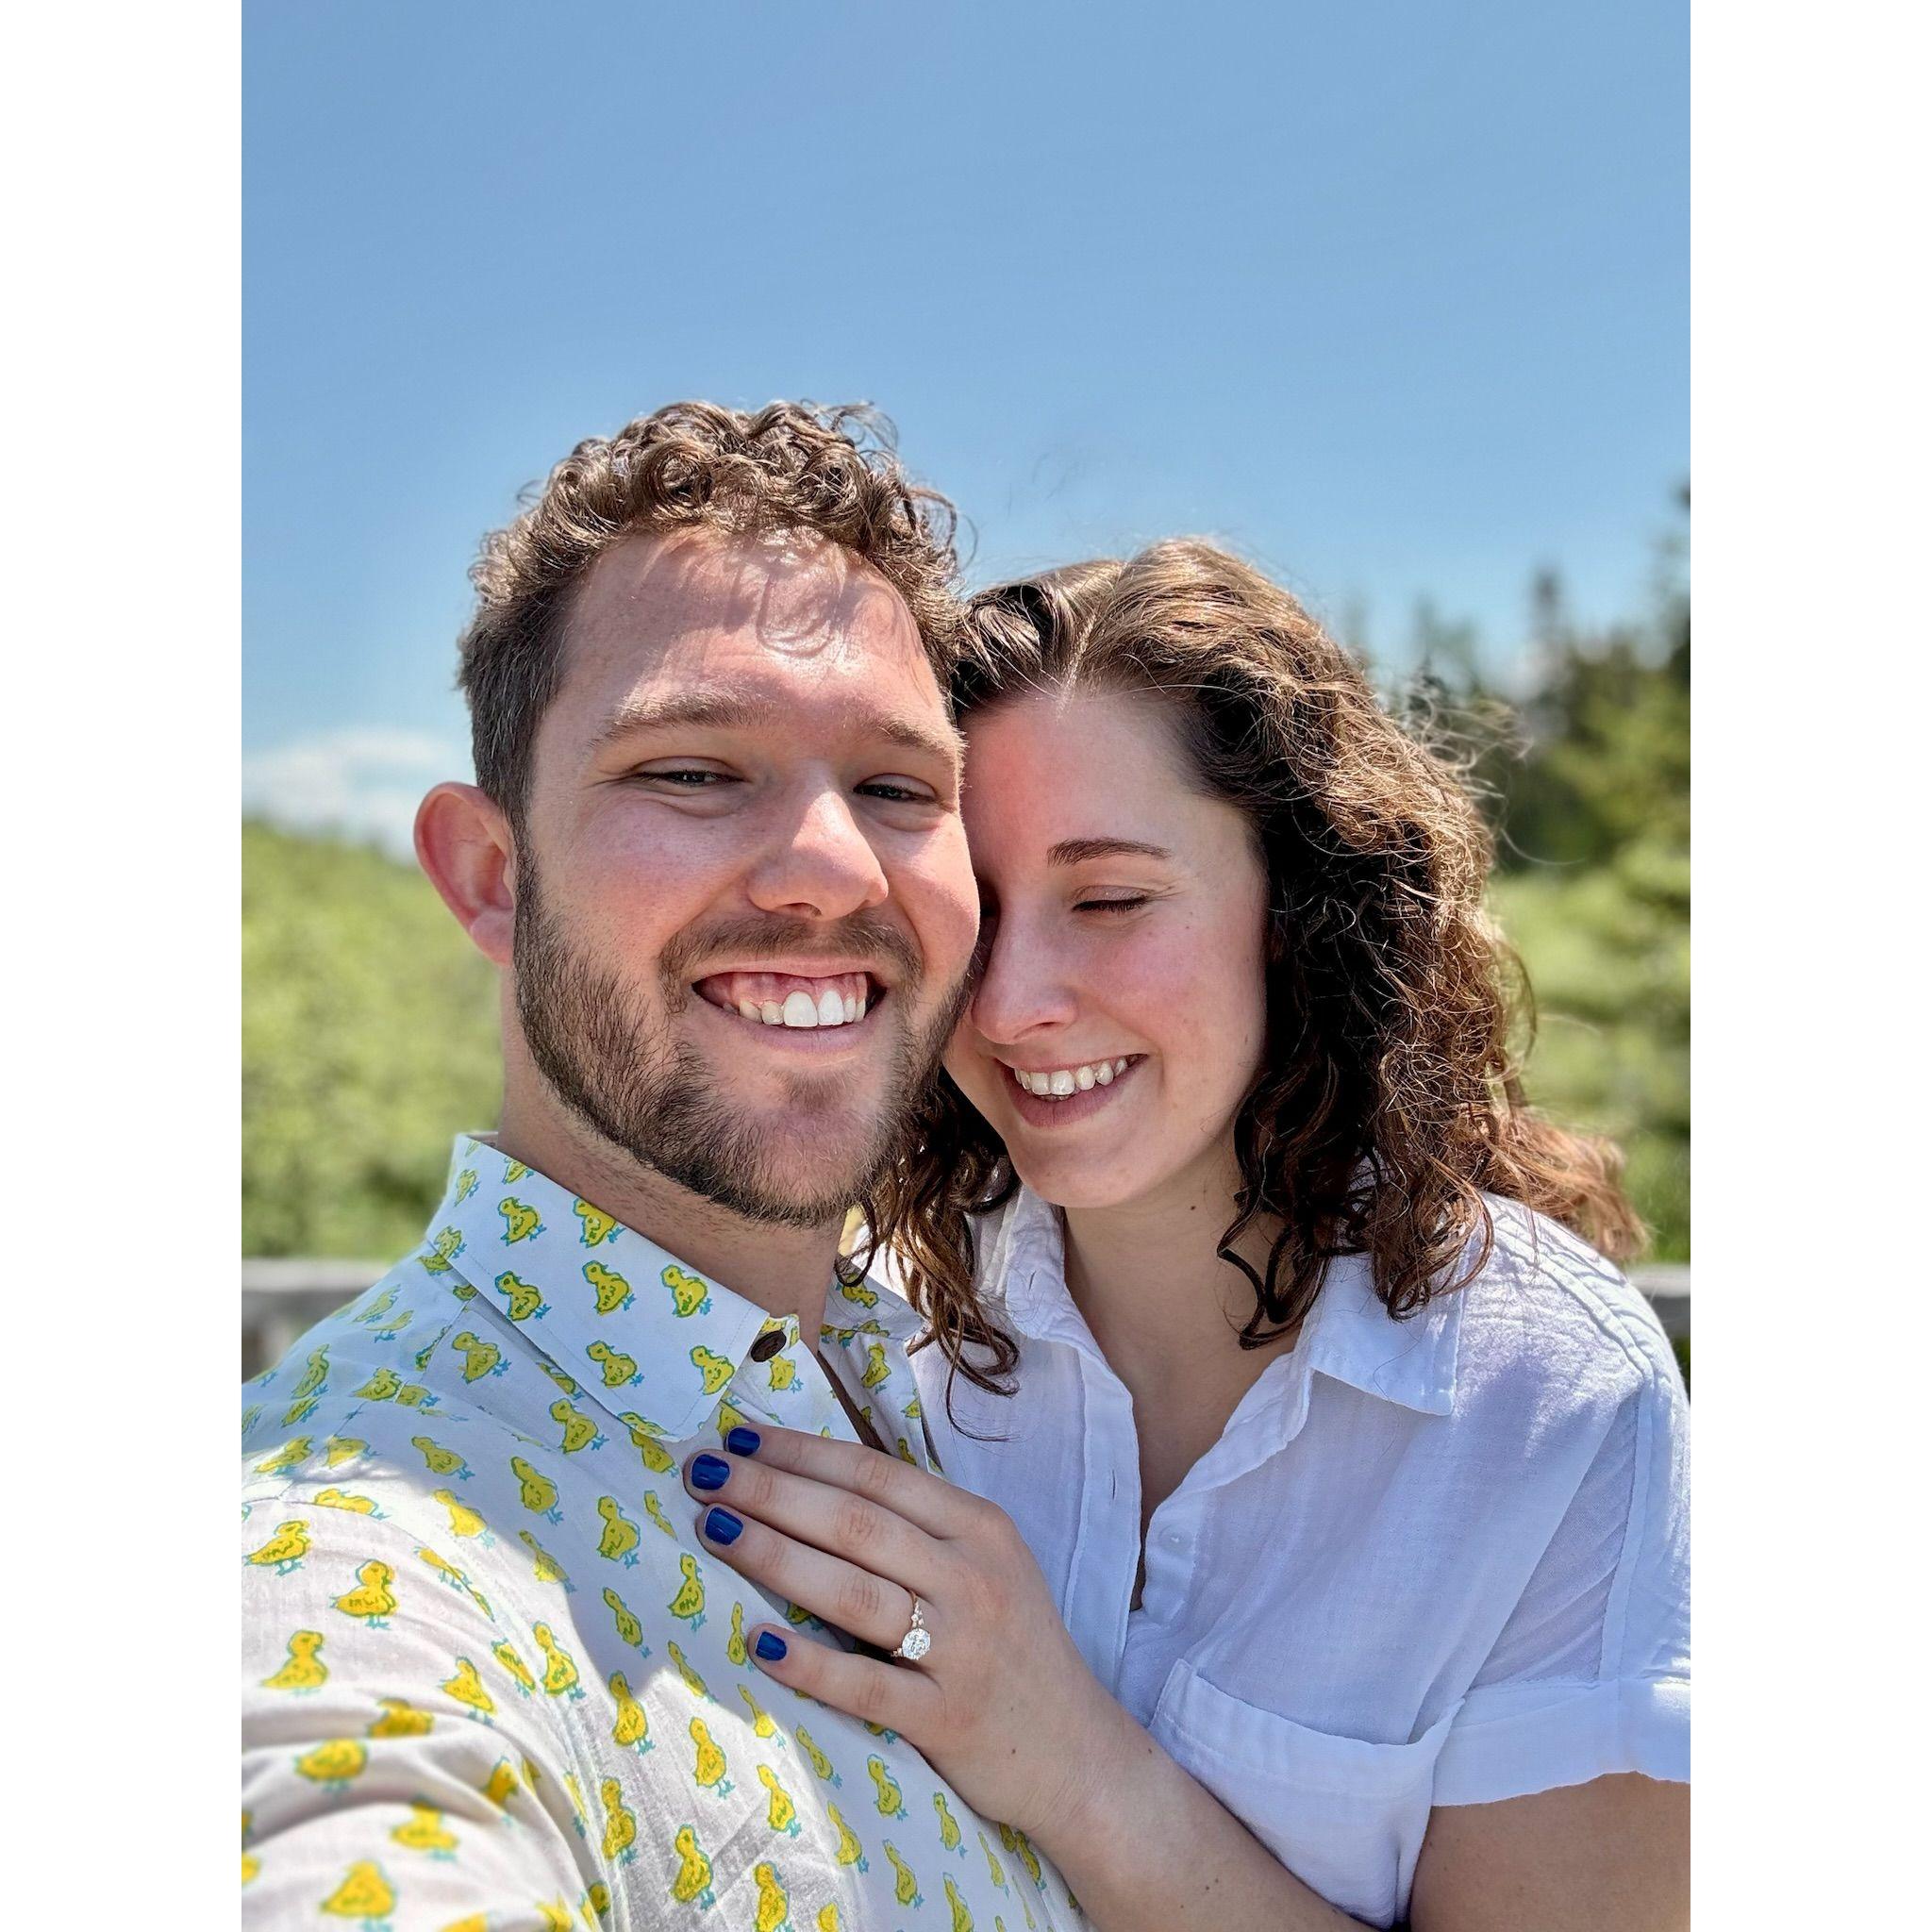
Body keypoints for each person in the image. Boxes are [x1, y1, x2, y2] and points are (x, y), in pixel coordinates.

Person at [673, 541, 1690, 1930]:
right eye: (977, 912)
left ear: (1297, 912)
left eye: (1109, 901)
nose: (1016, 1002)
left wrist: (1075, 1766)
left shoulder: (1551, 1405)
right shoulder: (863, 1333)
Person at [239, 400, 1090, 1931]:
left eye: (900, 790)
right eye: (693, 771)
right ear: (493, 877)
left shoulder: (1004, 1369)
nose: (834, 866)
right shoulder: (339, 1557)